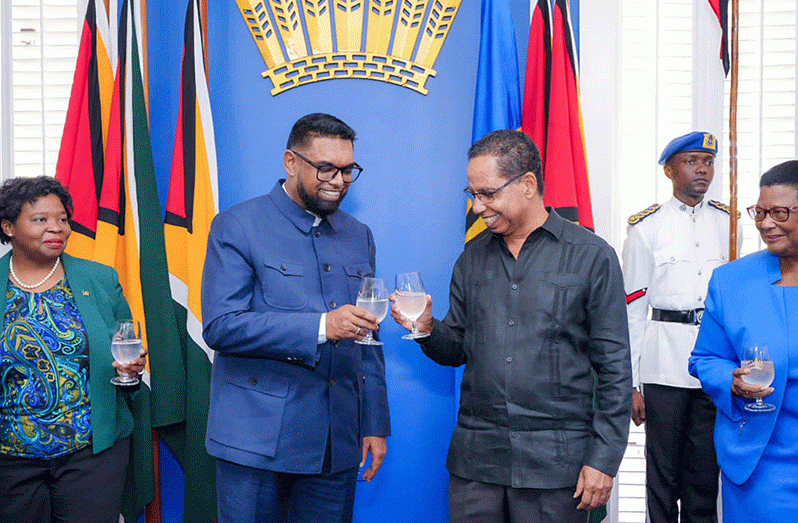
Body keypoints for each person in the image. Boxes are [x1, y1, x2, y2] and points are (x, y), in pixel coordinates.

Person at [391, 129, 631, 523]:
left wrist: (603, 461)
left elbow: (614, 369)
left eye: (488, 193)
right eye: (472, 194)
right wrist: (428, 327)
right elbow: (456, 350)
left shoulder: (592, 256)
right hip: (477, 465)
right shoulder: (472, 258)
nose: (478, 205)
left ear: (528, 185)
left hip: (557, 468)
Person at [201, 113, 391, 523]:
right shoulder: (237, 225)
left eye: (347, 170)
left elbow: (368, 337)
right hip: (256, 442)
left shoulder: (360, 235)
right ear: (291, 162)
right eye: (326, 168)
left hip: (334, 443)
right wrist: (323, 327)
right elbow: (221, 325)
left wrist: (374, 423)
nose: (338, 180)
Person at [0, 176, 148, 523]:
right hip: (9, 460)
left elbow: (126, 346)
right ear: (8, 227)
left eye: (63, 219)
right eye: (40, 220)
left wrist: (131, 368)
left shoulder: (99, 278)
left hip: (91, 455)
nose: (57, 228)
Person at [622, 131, 739, 523]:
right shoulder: (646, 228)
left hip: (715, 365)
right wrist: (632, 382)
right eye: (691, 161)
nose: (702, 169)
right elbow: (633, 311)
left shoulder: (731, 224)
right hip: (663, 364)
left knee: (705, 475)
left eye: (708, 161)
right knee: (662, 476)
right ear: (670, 170)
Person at [689, 160, 798, 522]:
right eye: (761, 212)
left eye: (780, 213)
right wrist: (729, 381)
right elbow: (706, 358)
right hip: (759, 456)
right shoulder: (731, 281)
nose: (766, 223)